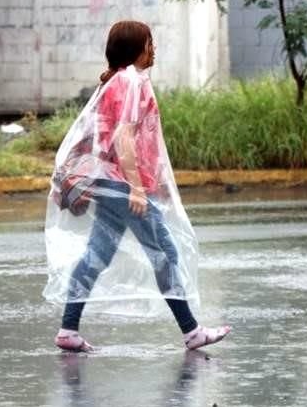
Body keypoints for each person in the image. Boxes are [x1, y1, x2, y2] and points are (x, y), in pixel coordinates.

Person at [43, 20, 231, 352]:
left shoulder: (118, 81)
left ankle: (68, 330)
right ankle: (191, 331)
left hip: (109, 182)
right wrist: (136, 188)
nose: (153, 48)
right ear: (136, 49)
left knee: (97, 255)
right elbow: (123, 137)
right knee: (166, 252)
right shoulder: (129, 81)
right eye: (149, 42)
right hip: (120, 185)